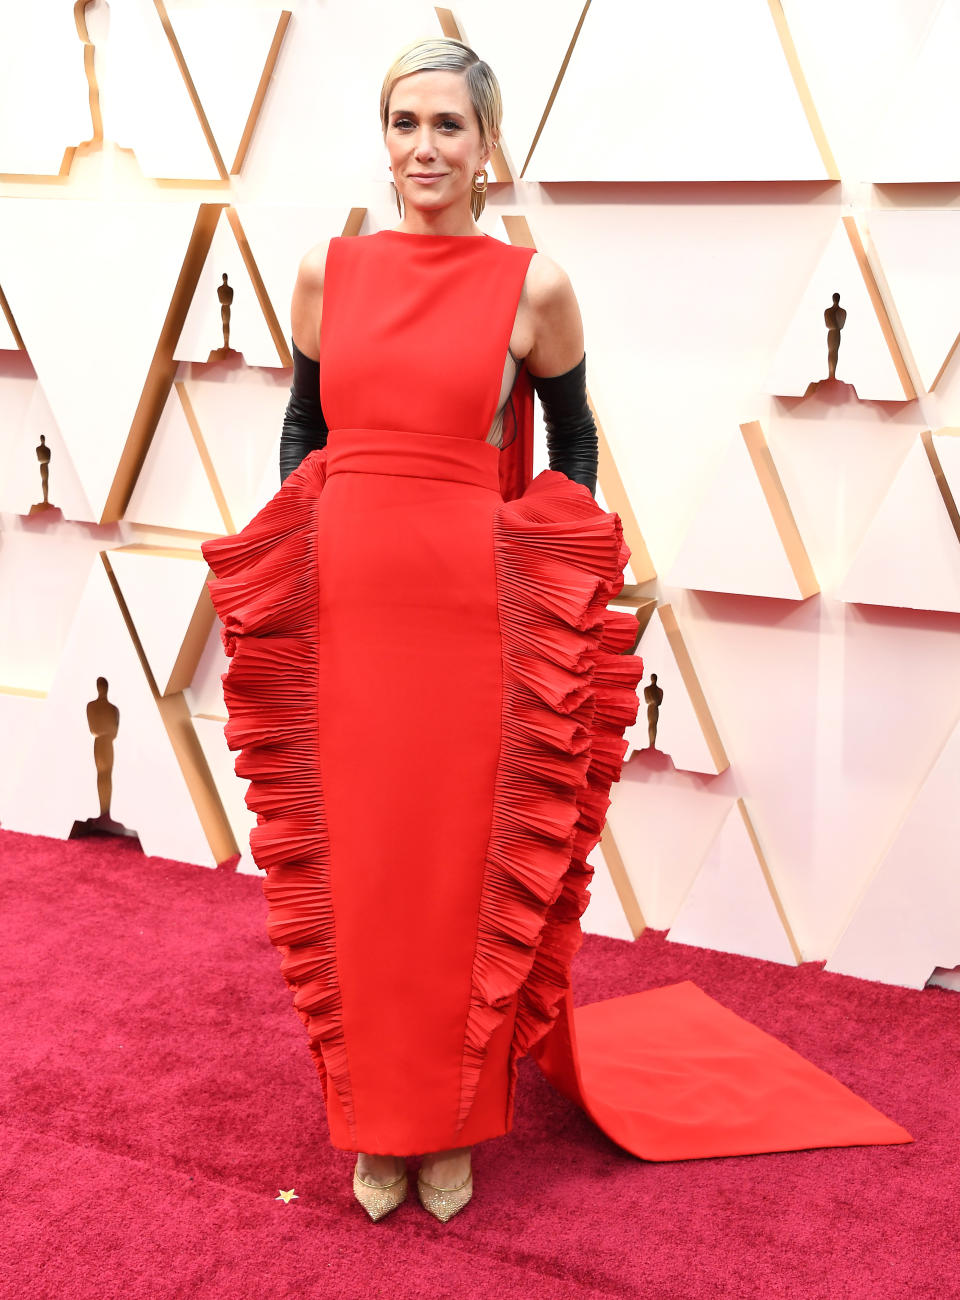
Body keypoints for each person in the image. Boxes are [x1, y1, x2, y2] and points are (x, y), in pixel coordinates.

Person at [202, 36, 911, 1226]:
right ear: (385, 139)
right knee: (365, 872)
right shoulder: (327, 273)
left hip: (471, 624)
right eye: (404, 123)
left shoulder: (532, 288)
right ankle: (379, 1127)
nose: (423, 147)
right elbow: (302, 431)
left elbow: (573, 449)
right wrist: (301, 550)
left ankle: (454, 1127)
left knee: (456, 875)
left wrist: (544, 573)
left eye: (448, 128)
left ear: (489, 152)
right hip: (352, 620)